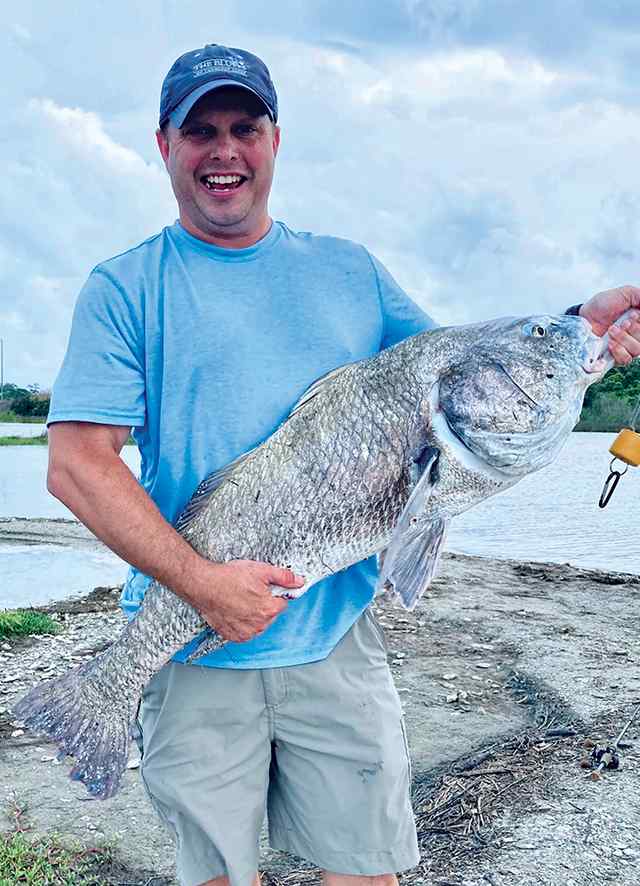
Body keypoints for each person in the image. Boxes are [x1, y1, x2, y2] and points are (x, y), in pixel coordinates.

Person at [46, 44, 640, 886]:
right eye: (200, 131)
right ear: (164, 145)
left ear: (275, 142)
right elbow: (75, 466)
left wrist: (578, 331)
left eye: (244, 128)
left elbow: (458, 367)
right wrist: (206, 586)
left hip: (336, 642)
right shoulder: (125, 288)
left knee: (367, 872)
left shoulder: (350, 271)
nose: (224, 151)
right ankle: (106, 690)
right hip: (190, 648)